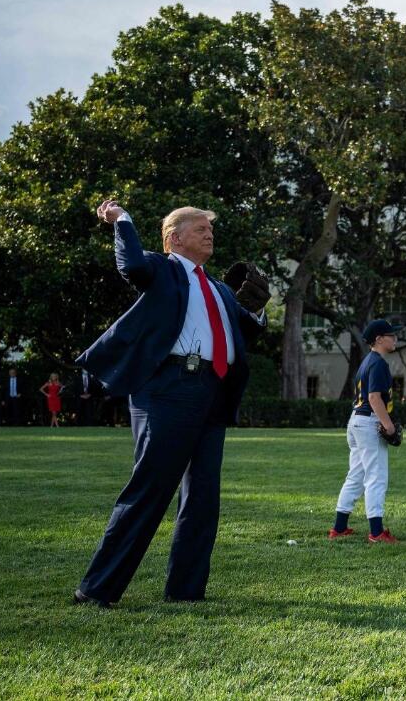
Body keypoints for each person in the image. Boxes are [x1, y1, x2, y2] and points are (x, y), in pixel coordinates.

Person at [72, 200, 268, 608]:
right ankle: (97, 590)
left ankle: (185, 591)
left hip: (212, 392)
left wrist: (258, 307)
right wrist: (122, 219)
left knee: (202, 498)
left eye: (210, 229)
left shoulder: (216, 287)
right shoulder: (162, 269)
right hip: (168, 389)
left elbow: (245, 331)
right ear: (174, 238)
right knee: (150, 490)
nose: (209, 234)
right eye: (200, 229)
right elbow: (131, 265)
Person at [329, 319, 402, 544]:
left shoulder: (367, 361)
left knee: (357, 475)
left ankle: (339, 528)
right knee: (376, 477)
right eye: (391, 335)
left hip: (357, 421)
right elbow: (373, 397)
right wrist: (388, 424)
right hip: (369, 421)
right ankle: (377, 532)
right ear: (379, 339)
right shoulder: (378, 362)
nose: (395, 338)